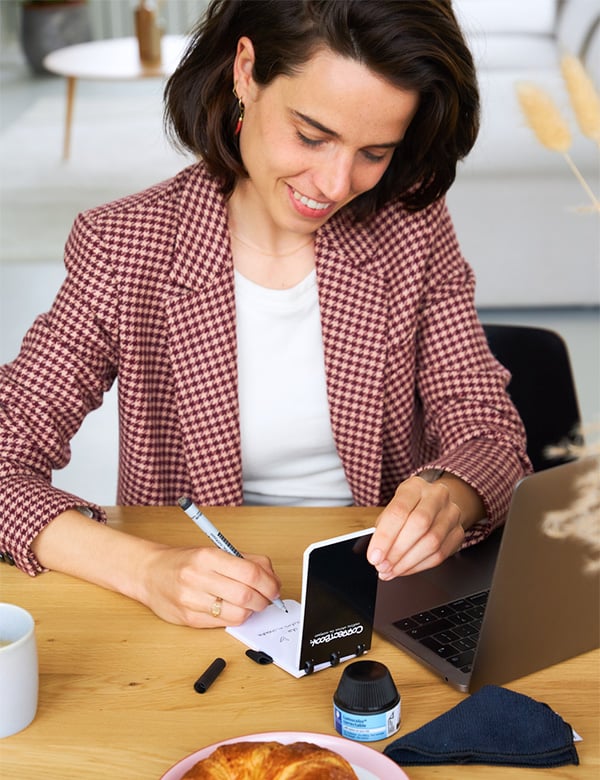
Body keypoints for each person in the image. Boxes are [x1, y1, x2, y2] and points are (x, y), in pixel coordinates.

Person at [0, 0, 530, 629]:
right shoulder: (127, 247)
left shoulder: (410, 226)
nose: (335, 184)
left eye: (375, 151)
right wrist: (144, 569)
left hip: (378, 599)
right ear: (246, 71)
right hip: (192, 605)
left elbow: (488, 431)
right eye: (312, 135)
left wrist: (452, 495)